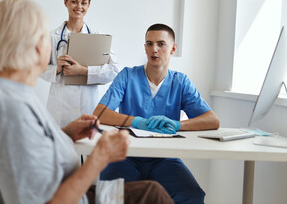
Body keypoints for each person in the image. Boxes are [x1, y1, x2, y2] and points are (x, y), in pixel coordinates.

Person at [0, 0, 173, 204]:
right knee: (153, 195)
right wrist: (100, 157)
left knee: (152, 191)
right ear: (38, 47)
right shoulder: (7, 109)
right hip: (65, 195)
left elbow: (25, 150)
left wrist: (65, 133)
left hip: (65, 189)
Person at [93, 23, 220, 204]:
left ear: (173, 49)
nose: (154, 49)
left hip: (164, 158)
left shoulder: (180, 82)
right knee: (110, 196)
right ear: (145, 47)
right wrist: (136, 121)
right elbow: (100, 113)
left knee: (192, 196)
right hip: (124, 155)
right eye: (149, 44)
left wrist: (178, 125)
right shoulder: (127, 76)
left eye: (161, 44)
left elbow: (212, 120)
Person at [40, 0, 119, 127]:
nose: (79, 7)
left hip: (86, 106)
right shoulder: (51, 37)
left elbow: (114, 71)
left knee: (86, 148)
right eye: (74, 1)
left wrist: (84, 71)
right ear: (65, 2)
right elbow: (37, 68)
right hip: (59, 109)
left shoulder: (98, 38)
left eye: (84, 3)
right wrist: (56, 68)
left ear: (89, 5)